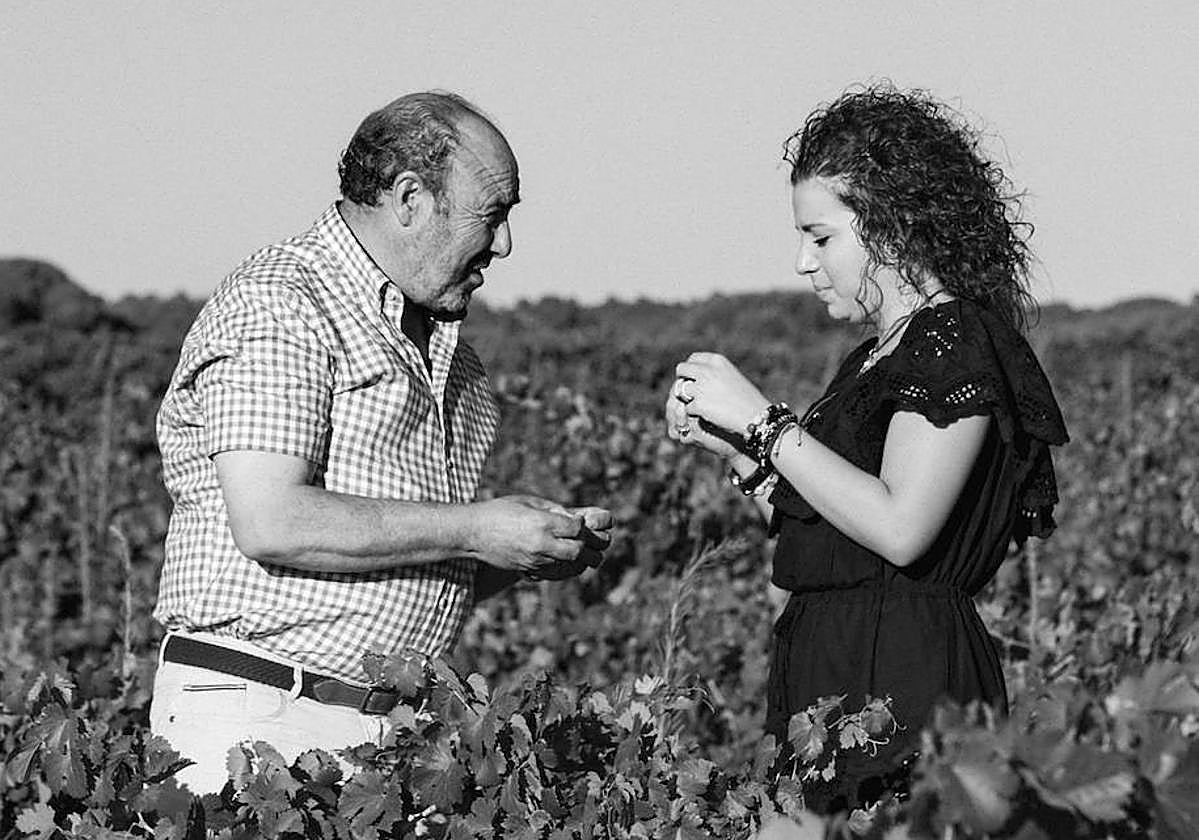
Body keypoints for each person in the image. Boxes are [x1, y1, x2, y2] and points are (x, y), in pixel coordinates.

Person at [151, 91, 612, 793]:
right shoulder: (284, 301)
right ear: (408, 198)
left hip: (383, 734)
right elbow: (272, 521)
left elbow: (411, 557)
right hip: (262, 720)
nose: (505, 243)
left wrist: (520, 551)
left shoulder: (453, 356)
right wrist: (475, 529)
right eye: (492, 215)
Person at [665, 84, 1067, 811]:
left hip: (904, 680)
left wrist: (765, 424)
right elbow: (837, 540)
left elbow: (900, 529)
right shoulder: (873, 357)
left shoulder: (953, 341)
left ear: (891, 227)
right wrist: (738, 457)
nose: (801, 262)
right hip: (833, 670)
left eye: (821, 237)